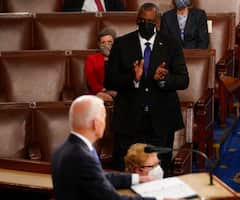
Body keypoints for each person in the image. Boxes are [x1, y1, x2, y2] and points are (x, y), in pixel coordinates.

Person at [104, 3, 189, 173]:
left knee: (158, 173)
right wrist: (133, 79)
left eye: (150, 21)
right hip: (129, 121)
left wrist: (163, 80)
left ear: (157, 23)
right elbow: (109, 81)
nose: (146, 24)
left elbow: (183, 80)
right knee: (127, 173)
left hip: (161, 120)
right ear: (136, 20)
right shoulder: (122, 44)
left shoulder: (171, 44)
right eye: (142, 20)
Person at [51, 95, 156, 200]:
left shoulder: (63, 150)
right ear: (96, 124)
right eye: (104, 118)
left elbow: (99, 178)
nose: (105, 123)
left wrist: (137, 178)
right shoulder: (82, 157)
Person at [85, 27, 117, 101]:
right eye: (103, 42)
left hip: (118, 92)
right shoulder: (91, 59)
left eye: (109, 42)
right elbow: (92, 82)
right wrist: (107, 92)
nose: (106, 45)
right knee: (102, 97)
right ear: (99, 44)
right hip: (99, 93)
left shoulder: (121, 57)